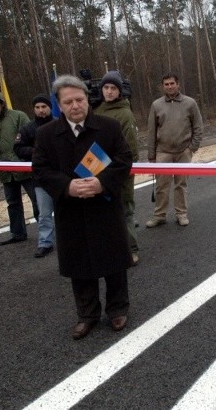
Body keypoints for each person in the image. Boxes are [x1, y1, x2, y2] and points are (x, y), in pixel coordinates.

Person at [32, 75, 133, 340]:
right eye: (69, 102)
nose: (75, 105)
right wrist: (67, 187)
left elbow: (124, 159)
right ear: (59, 105)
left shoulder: (108, 127)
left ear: (87, 99)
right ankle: (87, 315)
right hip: (70, 209)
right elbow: (40, 170)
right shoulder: (46, 134)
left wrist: (102, 183)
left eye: (79, 99)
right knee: (79, 263)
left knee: (113, 260)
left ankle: (117, 309)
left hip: (104, 205)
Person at [0, 90, 39, 246]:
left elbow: (31, 135)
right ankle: (18, 233)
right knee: (12, 203)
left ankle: (47, 232)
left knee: (37, 200)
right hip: (5, 169)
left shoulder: (18, 116)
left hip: (24, 165)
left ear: (1, 102)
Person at [93, 71, 140, 265]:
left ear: (119, 91)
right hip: (97, 167)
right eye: (106, 87)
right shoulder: (96, 110)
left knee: (125, 210)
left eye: (113, 88)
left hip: (120, 170)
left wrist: (124, 171)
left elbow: (130, 148)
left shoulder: (124, 113)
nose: (109, 92)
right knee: (103, 212)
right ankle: (109, 248)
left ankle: (131, 249)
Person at [146, 73, 203, 227]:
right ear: (162, 86)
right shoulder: (156, 105)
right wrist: (151, 155)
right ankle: (159, 215)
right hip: (162, 152)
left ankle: (181, 214)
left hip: (183, 151)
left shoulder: (190, 103)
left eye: (172, 83)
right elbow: (151, 131)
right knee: (161, 186)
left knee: (181, 185)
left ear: (178, 84)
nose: (170, 86)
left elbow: (198, 127)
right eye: (166, 84)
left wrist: (192, 148)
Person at [14, 94, 56, 258]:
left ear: (50, 107)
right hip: (40, 179)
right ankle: (45, 242)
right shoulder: (27, 129)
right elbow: (18, 148)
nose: (41, 110)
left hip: (61, 176)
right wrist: (37, 153)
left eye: (44, 107)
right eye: (37, 107)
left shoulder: (60, 124)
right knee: (44, 213)